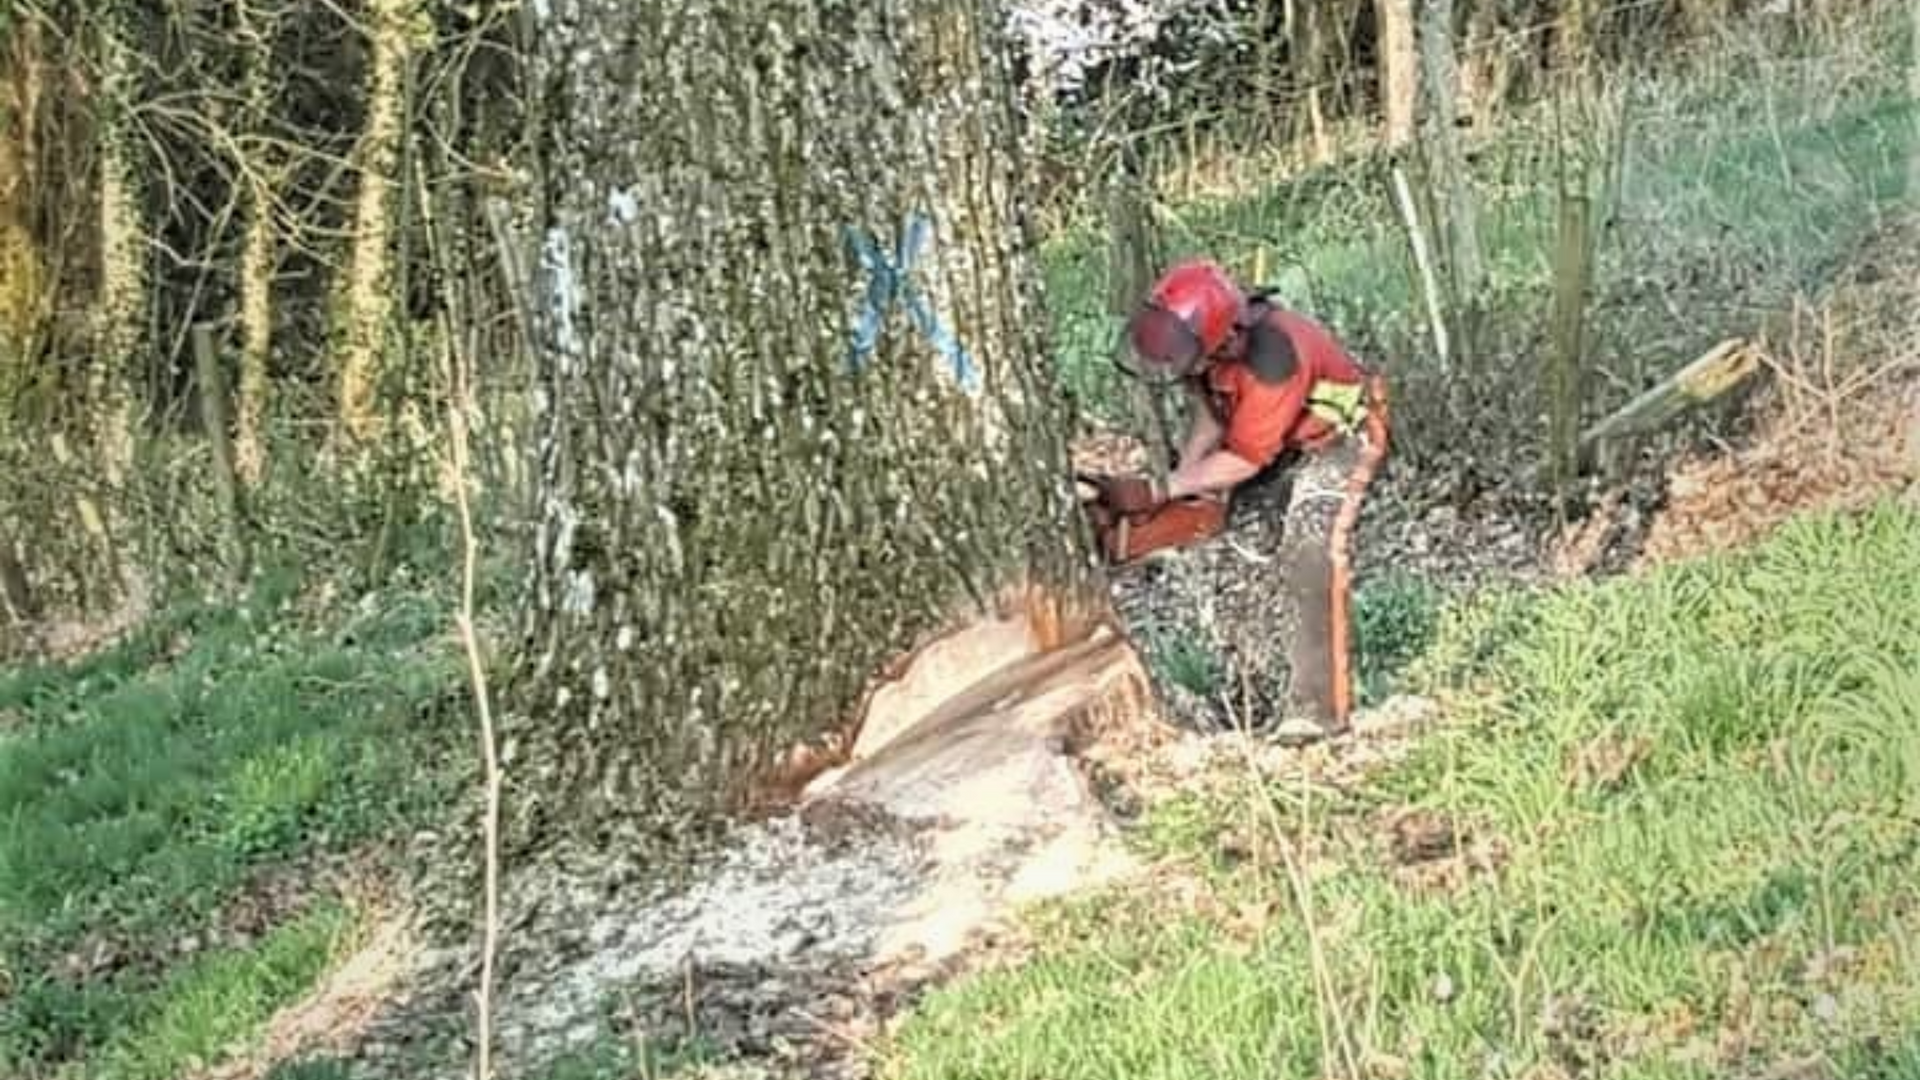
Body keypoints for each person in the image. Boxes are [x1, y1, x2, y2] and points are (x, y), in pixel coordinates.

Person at [1079, 258, 1391, 744]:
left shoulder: (1273, 358)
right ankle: (1253, 693)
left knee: (1310, 547)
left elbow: (1246, 458)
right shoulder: (1201, 351)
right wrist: (1178, 484)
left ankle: (1318, 710)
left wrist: (1161, 489)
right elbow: (1213, 417)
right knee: (1236, 552)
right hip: (1277, 443)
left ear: (1226, 338)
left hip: (1336, 439)